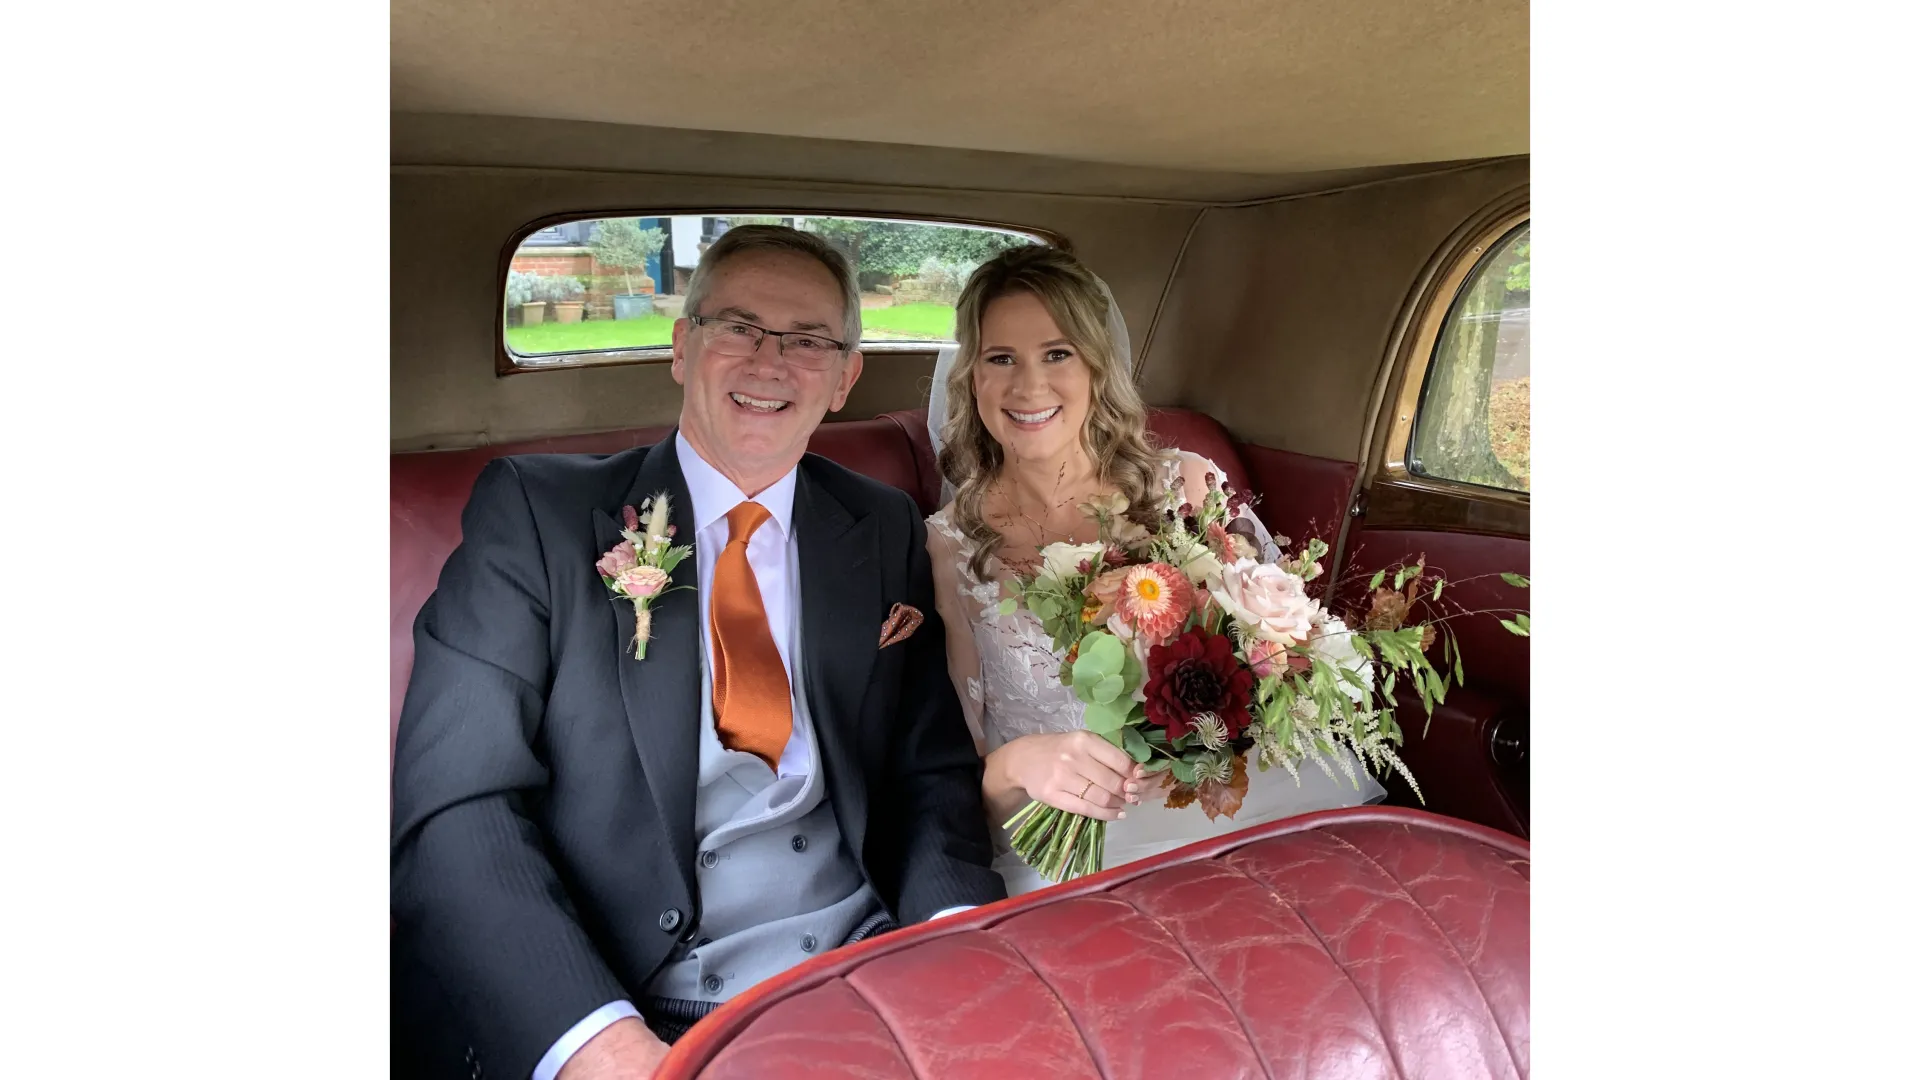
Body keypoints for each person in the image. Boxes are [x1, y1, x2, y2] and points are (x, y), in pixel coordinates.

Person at [391, 226, 1005, 1080]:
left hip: (867, 962)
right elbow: (457, 803)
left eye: (808, 340)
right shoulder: (538, 516)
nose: (770, 362)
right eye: (739, 328)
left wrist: (956, 948)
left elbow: (926, 769)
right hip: (637, 995)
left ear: (844, 377)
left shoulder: (880, 523)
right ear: (682, 346)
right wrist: (599, 1044)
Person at [924, 245, 1386, 898]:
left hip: (1243, 795)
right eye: (1002, 359)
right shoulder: (950, 543)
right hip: (1084, 837)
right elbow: (959, 775)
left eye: (1058, 354)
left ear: (1096, 366)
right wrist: (1019, 765)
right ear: (973, 377)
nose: (1029, 387)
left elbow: (1280, 658)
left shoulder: (1188, 488)